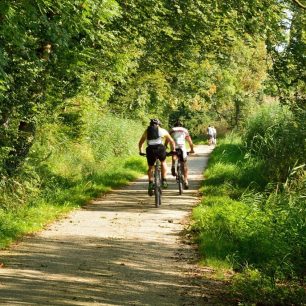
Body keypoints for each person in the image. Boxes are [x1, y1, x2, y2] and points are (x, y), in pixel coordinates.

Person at [138, 118, 176, 196]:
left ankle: (150, 183)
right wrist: (173, 150)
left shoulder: (147, 131)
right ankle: (164, 180)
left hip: (150, 149)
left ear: (150, 124)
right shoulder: (163, 130)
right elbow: (172, 141)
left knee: (150, 167)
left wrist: (141, 151)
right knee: (163, 162)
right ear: (158, 124)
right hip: (160, 148)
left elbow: (140, 142)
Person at [166, 121, 195, 189]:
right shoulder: (185, 130)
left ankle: (173, 165)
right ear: (181, 126)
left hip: (174, 147)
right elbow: (190, 142)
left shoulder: (172, 130)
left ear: (175, 125)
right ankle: (185, 180)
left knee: (174, 154)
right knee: (184, 164)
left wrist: (165, 145)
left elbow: (168, 139)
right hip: (182, 148)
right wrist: (192, 150)